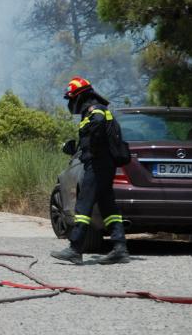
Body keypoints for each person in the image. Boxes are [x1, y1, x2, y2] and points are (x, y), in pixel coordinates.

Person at [51, 76, 130, 265]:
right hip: (103, 165)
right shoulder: (92, 112)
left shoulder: (96, 111)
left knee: (83, 205)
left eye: (71, 98)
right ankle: (120, 248)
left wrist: (92, 150)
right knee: (108, 207)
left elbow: (98, 128)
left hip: (98, 164)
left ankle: (75, 249)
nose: (70, 103)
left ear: (79, 96)